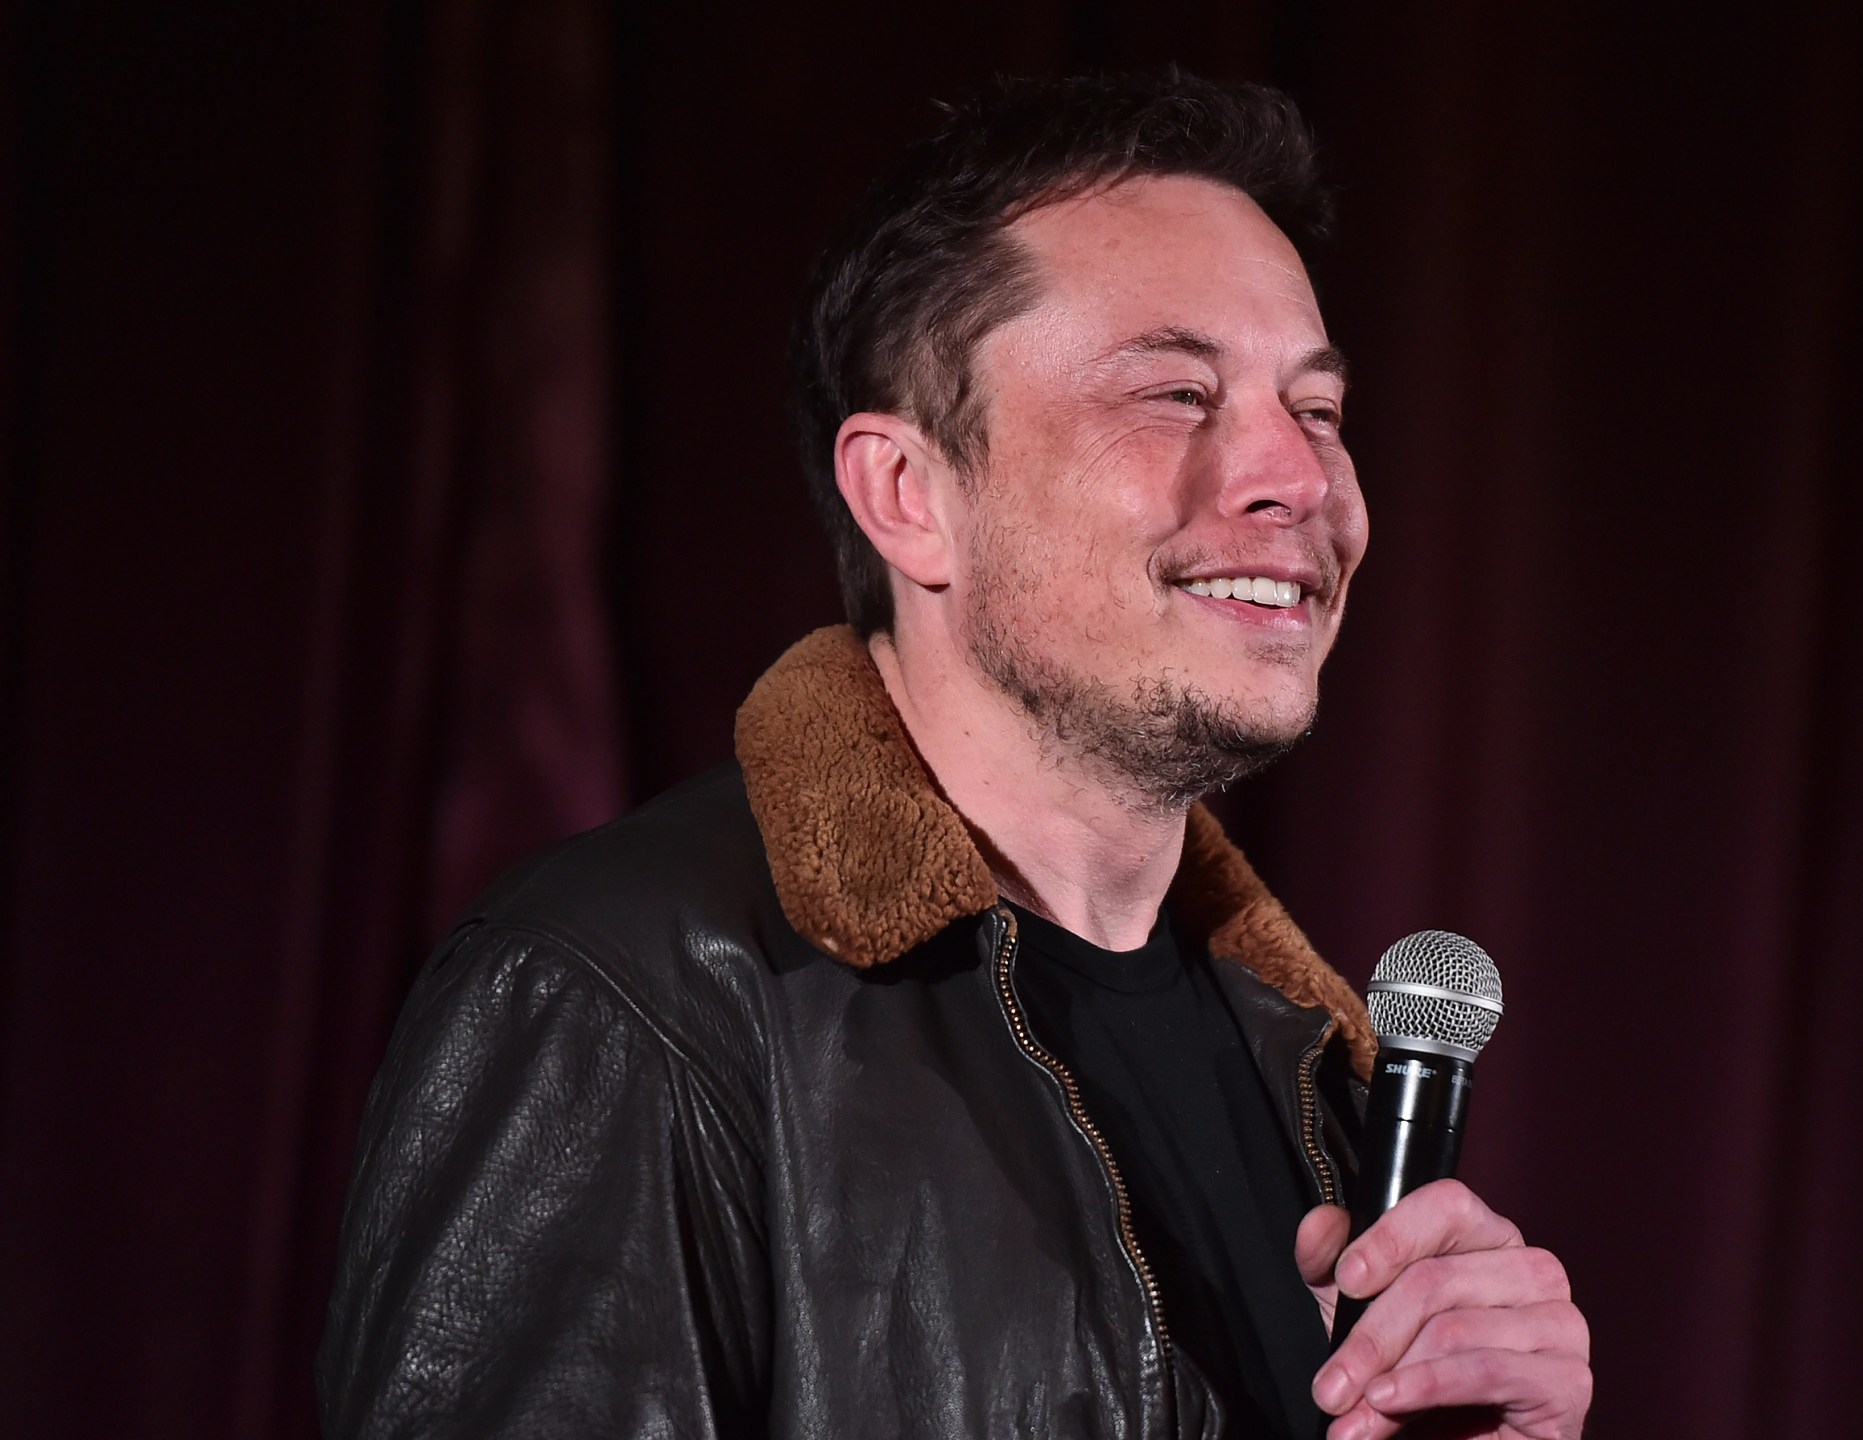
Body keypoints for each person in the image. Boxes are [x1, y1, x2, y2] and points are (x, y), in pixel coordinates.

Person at [320, 72, 1591, 1440]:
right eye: (1174, 391)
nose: (1297, 478)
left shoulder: (1322, 1080)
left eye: (1321, 410)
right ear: (910, 498)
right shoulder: (621, 1001)